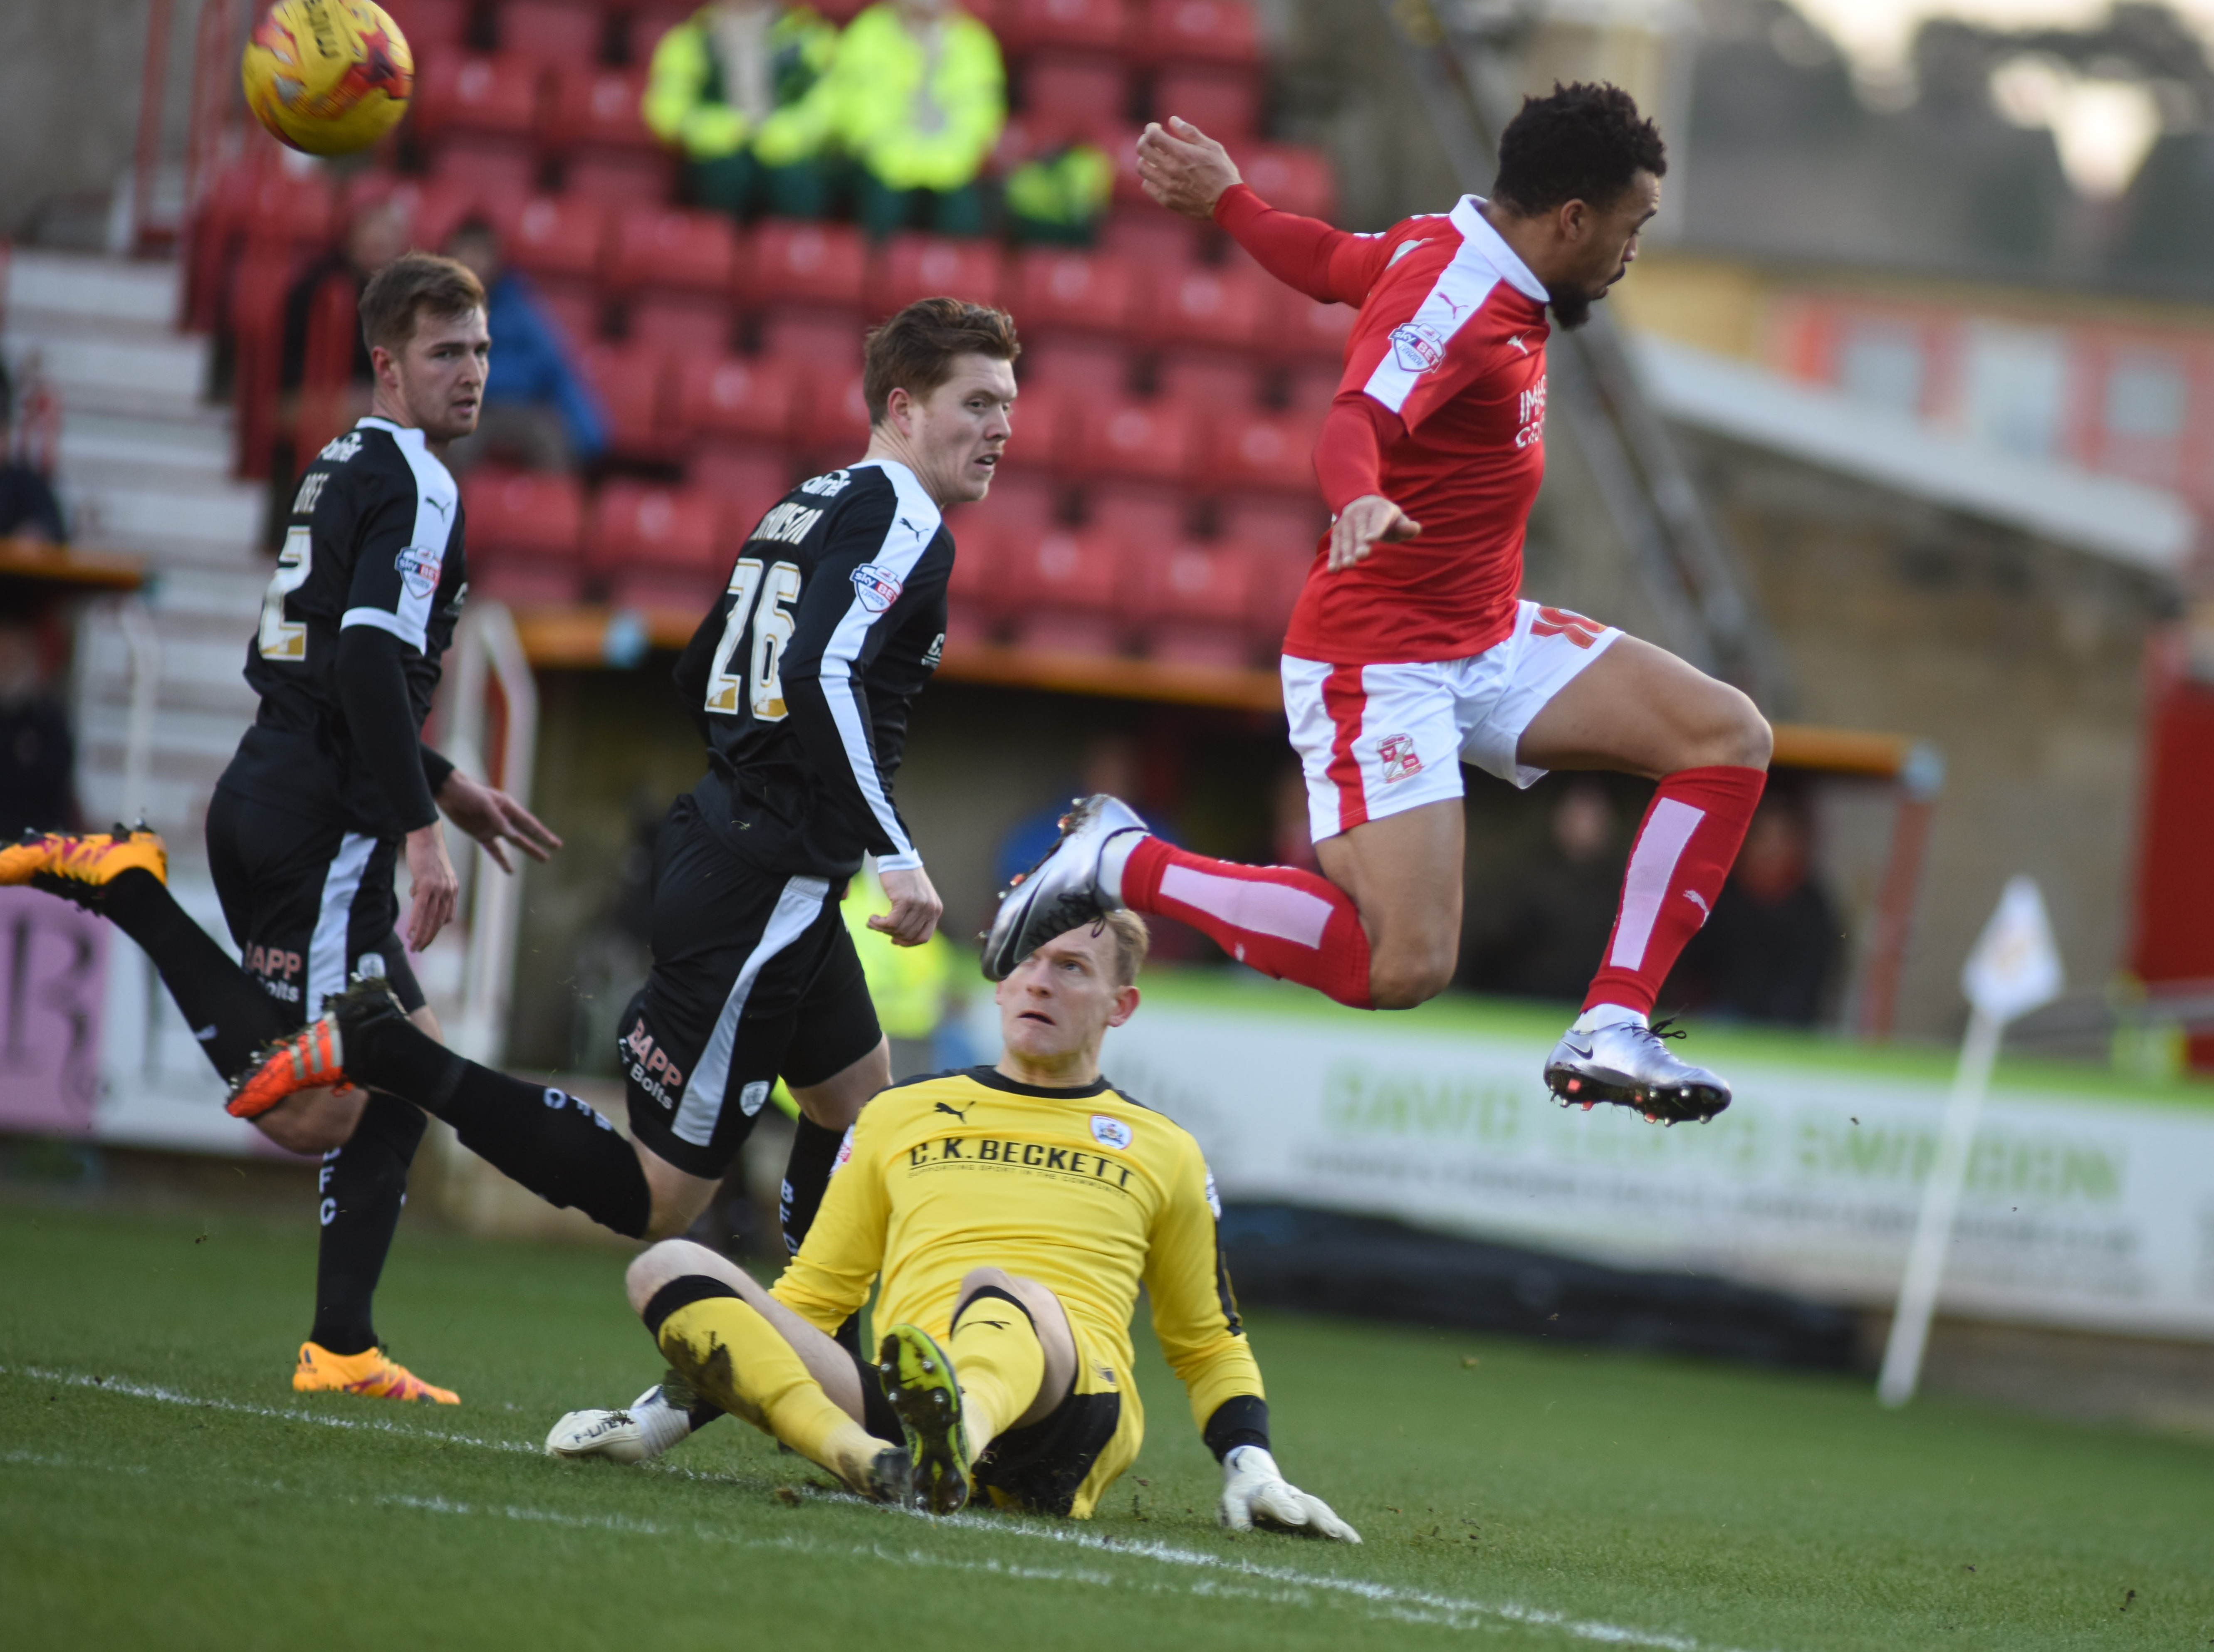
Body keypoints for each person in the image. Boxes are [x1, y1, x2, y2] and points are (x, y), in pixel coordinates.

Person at [986, 85, 1773, 1125]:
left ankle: (1611, 1020)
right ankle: (1122, 859)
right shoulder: (1455, 300)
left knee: (1726, 736)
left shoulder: (1445, 248)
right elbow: (1356, 414)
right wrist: (1358, 491)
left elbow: (1324, 263)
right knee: (1402, 964)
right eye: (1632, 226)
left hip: (1485, 635)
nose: (1633, 250)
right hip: (1379, 660)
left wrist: (1229, 200)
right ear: (1573, 219)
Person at [220, 300, 1019, 1283]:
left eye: (1007, 406)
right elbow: (818, 674)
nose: (1001, 428)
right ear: (902, 405)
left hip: (756, 853)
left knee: (853, 1106)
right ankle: (392, 1051)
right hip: (764, 876)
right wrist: (891, 850)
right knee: (655, 1196)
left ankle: (819, 1352)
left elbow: (700, 673)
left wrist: (754, 787)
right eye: (976, 402)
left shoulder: (810, 499)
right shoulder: (908, 521)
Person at [2, 253, 560, 1402]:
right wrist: (418, 828)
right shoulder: (419, 482)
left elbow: (329, 666)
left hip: (278, 785)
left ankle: (341, 1342)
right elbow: (361, 659)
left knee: (405, 1060)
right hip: (329, 828)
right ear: (387, 364)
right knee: (313, 1106)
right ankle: (131, 890)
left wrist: (444, 777)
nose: (471, 373)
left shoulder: (341, 460)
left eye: (482, 350)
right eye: (445, 352)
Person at [547, 912, 1361, 1538]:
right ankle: (875, 1464)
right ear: (999, 984)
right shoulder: (896, 1114)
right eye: (1025, 964)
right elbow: (813, 1298)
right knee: (665, 1267)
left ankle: (952, 1448)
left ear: (1123, 1005)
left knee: (994, 1290)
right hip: (902, 1401)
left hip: (1068, 1411)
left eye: (1071, 968)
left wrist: (1250, 1467)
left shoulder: (1165, 1148)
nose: (1039, 983)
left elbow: (1206, 1340)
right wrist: (656, 1418)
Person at [643, 0, 840, 221]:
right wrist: (724, 130)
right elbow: (668, 110)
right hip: (720, 153)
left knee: (799, 181)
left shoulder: (807, 35)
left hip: (790, 153)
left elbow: (833, 100)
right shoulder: (691, 39)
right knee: (726, 175)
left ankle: (798, 252)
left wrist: (787, 133)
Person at [440, 217, 609, 474]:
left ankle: (551, 512)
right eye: (466, 252)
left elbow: (550, 364)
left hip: (520, 407)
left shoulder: (518, 307)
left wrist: (590, 434)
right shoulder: (433, 307)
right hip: (462, 407)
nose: (473, 262)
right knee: (450, 443)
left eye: (481, 253)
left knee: (551, 442)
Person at [826, 0, 1005, 239]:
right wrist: (909, 162)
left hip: (950, 166)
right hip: (886, 164)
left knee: (962, 210)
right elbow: (861, 119)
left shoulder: (973, 41)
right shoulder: (868, 34)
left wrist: (933, 66)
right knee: (883, 201)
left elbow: (980, 120)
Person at [280, 197, 411, 396]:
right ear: (352, 234)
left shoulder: (402, 292)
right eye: (374, 227)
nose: (382, 238)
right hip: (306, 391)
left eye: (391, 231)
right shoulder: (323, 285)